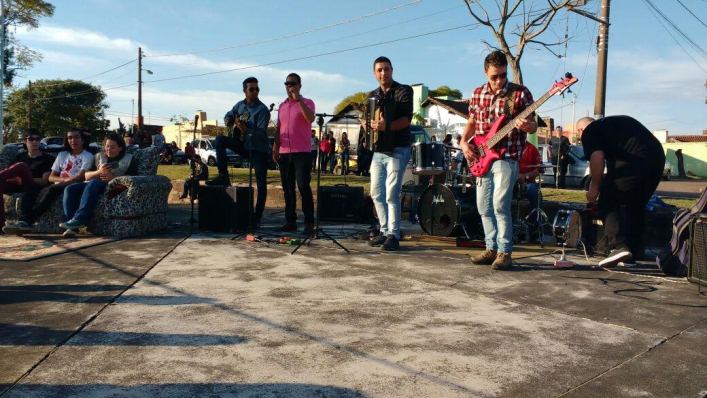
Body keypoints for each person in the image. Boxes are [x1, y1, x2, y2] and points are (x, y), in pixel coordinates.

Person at [460, 50, 537, 269]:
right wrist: (464, 143)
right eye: (494, 76)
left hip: (507, 156)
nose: (499, 81)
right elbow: (472, 122)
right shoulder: (477, 93)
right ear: (486, 73)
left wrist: (527, 126)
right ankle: (490, 248)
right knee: (483, 206)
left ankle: (505, 252)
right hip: (482, 155)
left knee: (500, 205)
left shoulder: (520, 94)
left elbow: (533, 124)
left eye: (503, 75)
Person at [576, 115, 665, 266]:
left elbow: (597, 157)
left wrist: (595, 187)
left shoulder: (589, 131)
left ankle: (617, 246)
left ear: (580, 130)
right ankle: (633, 253)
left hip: (635, 160)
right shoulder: (613, 127)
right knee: (635, 205)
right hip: (657, 159)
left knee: (608, 198)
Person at [3, 128, 94, 235]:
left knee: (49, 189)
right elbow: (52, 177)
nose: (73, 140)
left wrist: (64, 181)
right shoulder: (62, 155)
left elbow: (79, 177)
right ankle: (24, 221)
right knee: (34, 190)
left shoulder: (87, 156)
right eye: (70, 138)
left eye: (76, 137)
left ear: (83, 140)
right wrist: (64, 179)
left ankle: (28, 221)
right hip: (58, 184)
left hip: (73, 185)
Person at [364, 56, 414, 251]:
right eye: (379, 70)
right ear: (374, 73)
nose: (383, 73)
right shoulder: (371, 95)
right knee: (376, 193)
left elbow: (406, 120)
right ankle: (384, 231)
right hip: (378, 151)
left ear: (392, 70)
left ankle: (393, 234)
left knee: (392, 193)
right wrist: (366, 123)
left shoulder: (403, 91)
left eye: (386, 69)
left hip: (398, 148)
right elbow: (365, 116)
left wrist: (386, 127)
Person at [207, 77, 271, 226]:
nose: (255, 91)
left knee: (261, 184)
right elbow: (228, 115)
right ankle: (223, 176)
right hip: (243, 145)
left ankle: (257, 216)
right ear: (245, 91)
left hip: (258, 149)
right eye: (252, 89)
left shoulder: (263, 110)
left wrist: (246, 130)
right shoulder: (239, 105)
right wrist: (229, 120)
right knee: (220, 140)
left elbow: (261, 134)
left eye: (257, 89)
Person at [60, 133, 137, 237]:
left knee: (93, 183)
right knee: (70, 189)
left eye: (113, 147)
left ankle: (79, 219)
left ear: (120, 148)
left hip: (113, 186)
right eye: (107, 146)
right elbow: (86, 176)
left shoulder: (129, 159)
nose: (108, 149)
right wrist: (98, 172)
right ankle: (72, 224)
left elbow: (133, 179)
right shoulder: (98, 157)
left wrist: (113, 179)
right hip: (93, 184)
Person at [272, 72, 316, 234]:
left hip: (302, 153)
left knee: (303, 186)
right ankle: (290, 221)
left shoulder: (307, 102)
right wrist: (275, 147)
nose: (290, 86)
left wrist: (298, 100)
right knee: (287, 188)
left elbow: (310, 118)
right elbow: (279, 128)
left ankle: (309, 222)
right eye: (287, 84)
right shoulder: (282, 106)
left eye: (293, 83)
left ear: (299, 85)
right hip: (284, 153)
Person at [0, 129, 54, 228]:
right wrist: (18, 180)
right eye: (31, 139)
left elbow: (44, 181)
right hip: (18, 184)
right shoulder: (20, 156)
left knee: (21, 166)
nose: (35, 142)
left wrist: (23, 178)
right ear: (25, 141)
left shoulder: (48, 159)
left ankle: (23, 221)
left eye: (37, 139)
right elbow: (12, 176)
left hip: (33, 184)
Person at [518, 141, 543, 241]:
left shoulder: (532, 149)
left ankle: (534, 230)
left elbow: (538, 170)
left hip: (527, 183)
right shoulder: (506, 148)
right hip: (507, 183)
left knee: (535, 193)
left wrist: (525, 176)